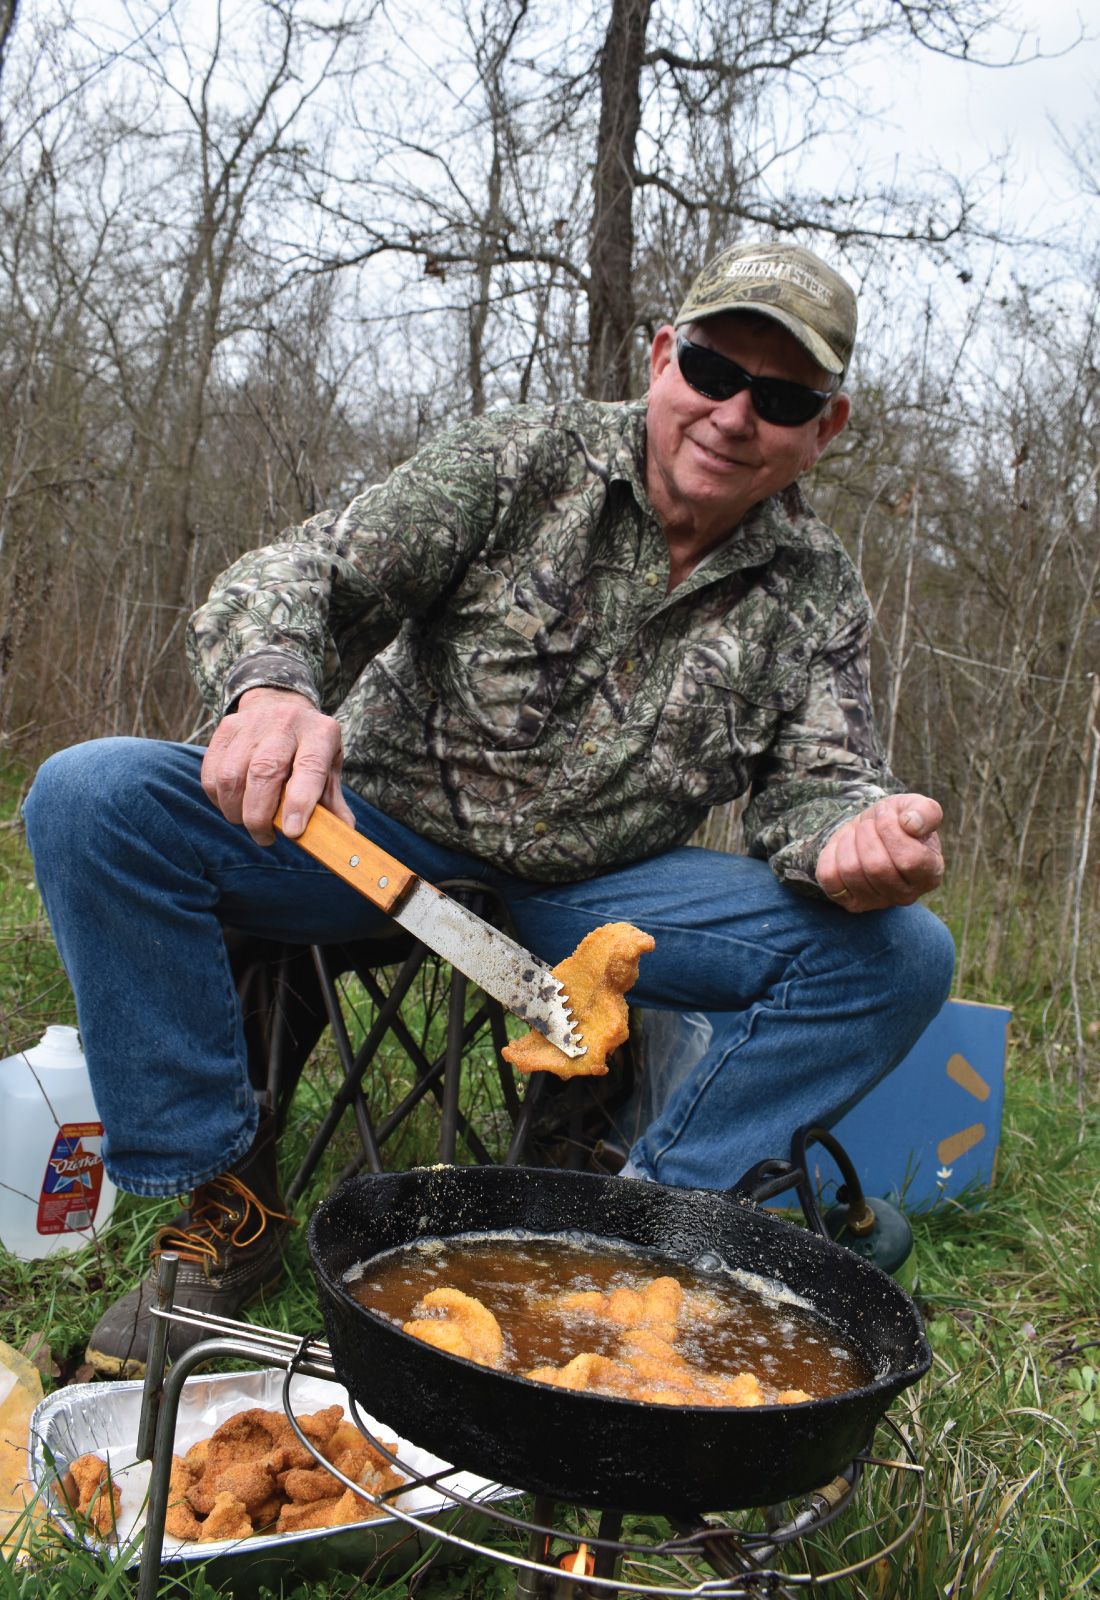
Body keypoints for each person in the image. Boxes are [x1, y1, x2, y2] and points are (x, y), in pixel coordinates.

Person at [23, 241, 954, 1379]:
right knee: (93, 795)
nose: (732, 412)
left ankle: (640, 1234)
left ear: (826, 426)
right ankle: (226, 1191)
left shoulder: (813, 587)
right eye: (712, 368)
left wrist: (853, 841)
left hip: (599, 899)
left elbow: (818, 786)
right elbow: (302, 574)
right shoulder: (522, 460)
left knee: (901, 954)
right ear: (662, 357)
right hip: (374, 837)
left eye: (783, 395)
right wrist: (270, 689)